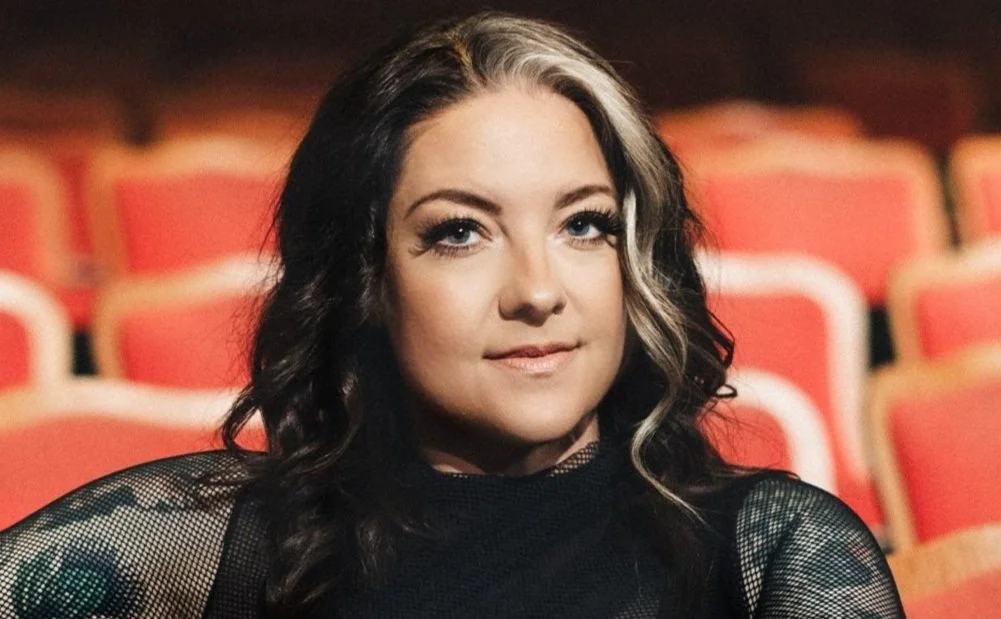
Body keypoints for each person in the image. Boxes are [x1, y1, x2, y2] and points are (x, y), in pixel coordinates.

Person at [0, 12, 904, 618]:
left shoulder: (770, 556)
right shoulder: (219, 540)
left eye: (583, 224)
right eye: (460, 232)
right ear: (361, 277)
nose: (537, 290)